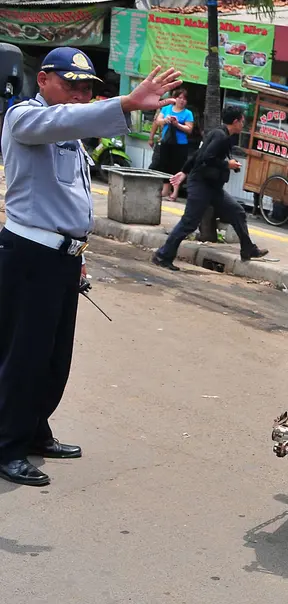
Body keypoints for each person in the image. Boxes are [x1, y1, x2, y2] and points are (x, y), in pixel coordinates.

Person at [0, 50, 181, 486]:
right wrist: (125, 103)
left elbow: (72, 199)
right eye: (72, 85)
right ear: (42, 79)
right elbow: (65, 122)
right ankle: (6, 445)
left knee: (54, 356)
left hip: (63, 257)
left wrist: (78, 256)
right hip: (29, 254)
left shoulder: (72, 128)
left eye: (88, 89)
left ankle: (35, 430)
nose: (81, 95)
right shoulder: (23, 117)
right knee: (22, 356)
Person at [152, 106, 268, 270]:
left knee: (237, 212)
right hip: (201, 185)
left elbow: (198, 154)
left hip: (213, 187)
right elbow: (206, 157)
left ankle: (248, 249)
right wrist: (227, 164)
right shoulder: (220, 136)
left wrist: (184, 172)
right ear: (235, 122)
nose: (243, 125)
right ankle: (162, 255)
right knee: (189, 223)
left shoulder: (220, 134)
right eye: (242, 121)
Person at [152, 88, 194, 201]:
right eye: (179, 97)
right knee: (164, 165)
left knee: (177, 167)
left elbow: (189, 129)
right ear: (174, 98)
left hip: (180, 145)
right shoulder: (166, 109)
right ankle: (165, 189)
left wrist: (177, 124)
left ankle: (175, 192)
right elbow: (158, 121)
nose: (182, 100)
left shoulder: (188, 113)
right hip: (166, 142)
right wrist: (166, 120)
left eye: (184, 99)